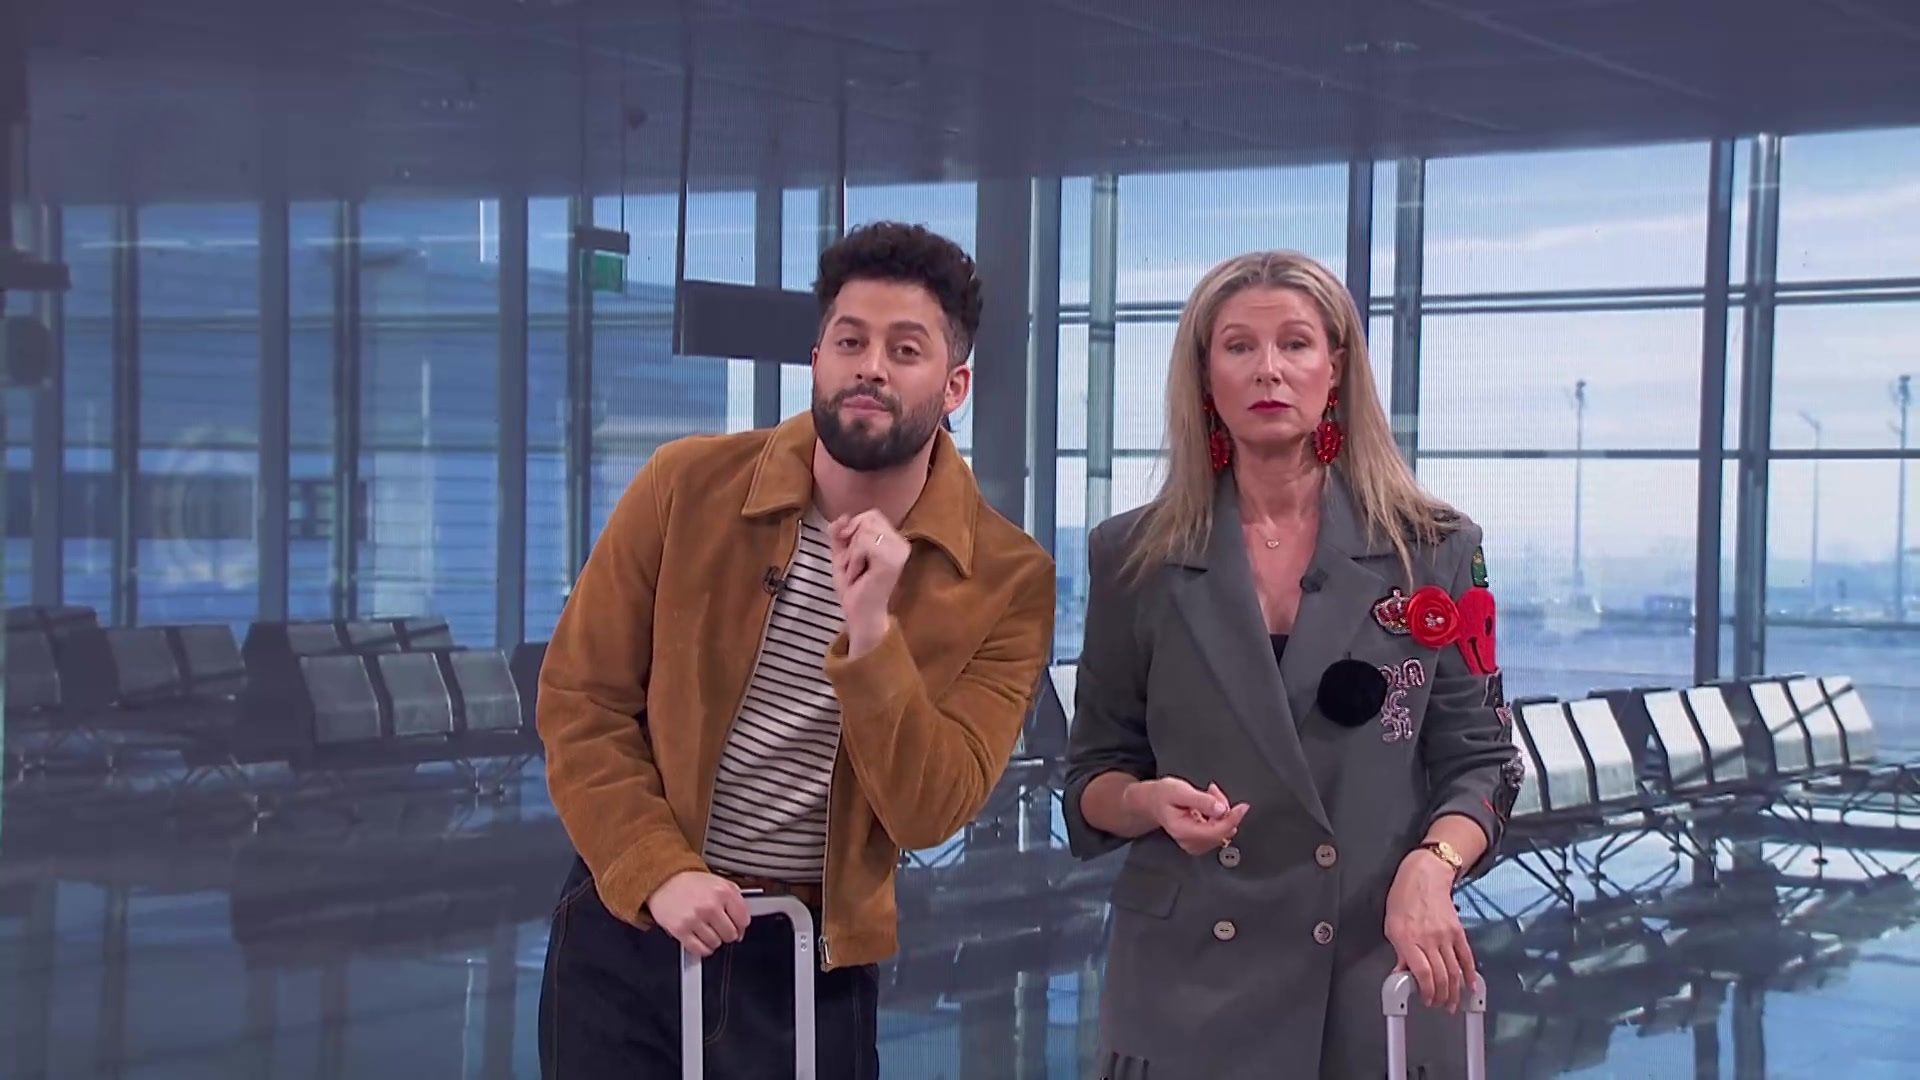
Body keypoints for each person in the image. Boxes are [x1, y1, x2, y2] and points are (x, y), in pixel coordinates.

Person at [536, 221, 1057, 1079]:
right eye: (850, 342)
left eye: (905, 349)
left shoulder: (1007, 577)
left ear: (955, 385)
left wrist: (873, 632)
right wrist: (656, 869)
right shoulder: (684, 485)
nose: (871, 368)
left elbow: (933, 809)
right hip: (629, 922)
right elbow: (580, 702)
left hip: (809, 957)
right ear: (816, 360)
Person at [1062, 250, 1522, 1080]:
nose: (1268, 369)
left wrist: (1433, 867)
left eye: (1295, 344)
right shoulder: (1131, 555)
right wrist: (1146, 801)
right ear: (1205, 375)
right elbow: (1094, 773)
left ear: (1335, 367)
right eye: (1239, 346)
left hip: (1371, 961)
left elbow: (1485, 762)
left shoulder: (1437, 549)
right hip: (1187, 984)